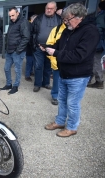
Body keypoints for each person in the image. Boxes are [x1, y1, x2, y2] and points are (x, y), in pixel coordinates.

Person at [44, 3, 99, 137]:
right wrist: (46, 47)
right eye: (64, 19)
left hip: (79, 75)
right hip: (64, 73)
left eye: (67, 19)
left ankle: (72, 127)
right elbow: (60, 45)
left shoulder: (90, 31)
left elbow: (78, 55)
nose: (65, 22)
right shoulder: (68, 29)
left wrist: (55, 53)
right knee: (62, 100)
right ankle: (60, 121)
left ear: (78, 17)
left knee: (72, 103)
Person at [31, 1, 62, 92]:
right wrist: (35, 45)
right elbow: (32, 32)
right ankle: (37, 84)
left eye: (51, 9)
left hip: (52, 48)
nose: (48, 10)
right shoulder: (39, 18)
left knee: (48, 66)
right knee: (38, 66)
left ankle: (46, 83)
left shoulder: (60, 19)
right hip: (39, 47)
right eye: (47, 8)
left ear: (55, 9)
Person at [1, 7, 30, 95]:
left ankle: (15, 86)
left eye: (13, 15)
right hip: (9, 50)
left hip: (17, 51)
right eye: (10, 16)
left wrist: (18, 50)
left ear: (17, 13)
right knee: (6, 68)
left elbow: (26, 37)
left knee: (17, 69)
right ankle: (9, 84)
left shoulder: (23, 22)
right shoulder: (12, 22)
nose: (11, 18)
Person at [46, 9, 65, 105]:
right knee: (56, 82)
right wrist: (53, 59)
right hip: (57, 62)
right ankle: (55, 96)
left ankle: (65, 97)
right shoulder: (56, 30)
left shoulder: (78, 31)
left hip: (71, 63)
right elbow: (49, 45)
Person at [87, 1, 105, 89]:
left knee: (95, 62)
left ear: (99, 8)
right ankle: (90, 79)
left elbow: (98, 31)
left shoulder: (101, 17)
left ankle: (99, 81)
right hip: (100, 43)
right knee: (94, 61)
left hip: (98, 43)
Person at [25, 14, 37, 82]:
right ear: (32, 19)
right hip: (30, 47)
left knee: (33, 61)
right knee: (29, 62)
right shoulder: (28, 27)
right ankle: (27, 75)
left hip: (34, 47)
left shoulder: (35, 26)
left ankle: (31, 72)